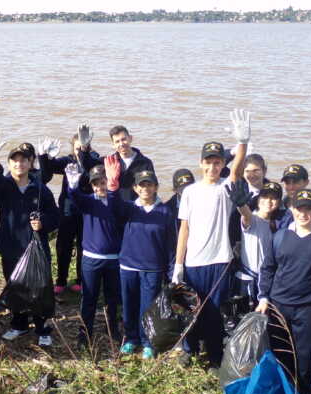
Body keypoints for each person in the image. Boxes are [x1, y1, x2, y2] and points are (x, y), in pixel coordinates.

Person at [172, 109, 251, 367]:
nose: (213, 167)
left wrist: (243, 142)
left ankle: (216, 356)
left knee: (215, 313)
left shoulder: (226, 187)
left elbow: (238, 170)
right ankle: (189, 349)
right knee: (191, 309)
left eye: (218, 162)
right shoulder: (190, 192)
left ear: (222, 165)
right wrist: (178, 265)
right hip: (194, 262)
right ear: (201, 163)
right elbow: (184, 229)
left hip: (220, 261)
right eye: (209, 162)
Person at [256, 188, 311, 394]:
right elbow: (268, 268)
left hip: (308, 307)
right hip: (278, 305)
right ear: (292, 209)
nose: (303, 214)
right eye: (299, 208)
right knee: (278, 352)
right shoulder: (279, 236)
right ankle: (280, 393)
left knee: (305, 357)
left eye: (308, 209)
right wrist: (263, 297)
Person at [0, 130, 59, 346]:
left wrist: (43, 222)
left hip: (37, 248)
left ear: (30, 163)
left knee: (40, 287)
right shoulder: (3, 188)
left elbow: (56, 216)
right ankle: (19, 324)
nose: (19, 164)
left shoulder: (40, 189)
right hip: (11, 248)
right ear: (9, 164)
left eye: (23, 161)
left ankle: (42, 327)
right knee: (15, 286)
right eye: (14, 161)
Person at [106, 161, 176, 359]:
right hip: (128, 265)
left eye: (149, 184)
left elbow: (171, 245)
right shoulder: (129, 208)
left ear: (155, 187)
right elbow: (113, 206)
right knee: (129, 304)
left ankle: (147, 343)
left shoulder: (165, 212)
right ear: (135, 188)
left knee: (148, 307)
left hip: (153, 269)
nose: (146, 188)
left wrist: (172, 272)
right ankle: (131, 339)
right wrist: (112, 184)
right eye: (141, 185)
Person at [39, 124, 102, 295]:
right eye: (76, 147)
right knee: (63, 246)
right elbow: (49, 170)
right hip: (67, 211)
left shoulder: (94, 159)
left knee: (84, 246)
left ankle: (81, 280)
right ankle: (61, 279)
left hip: (87, 211)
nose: (78, 151)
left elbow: (93, 164)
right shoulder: (68, 161)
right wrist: (45, 157)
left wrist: (84, 150)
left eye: (82, 146)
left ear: (88, 145)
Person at [64, 163, 122, 347]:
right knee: (89, 298)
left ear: (108, 181)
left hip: (114, 260)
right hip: (91, 260)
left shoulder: (116, 200)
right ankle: (84, 334)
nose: (100, 187)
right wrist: (72, 185)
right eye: (96, 184)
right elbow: (75, 197)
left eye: (103, 182)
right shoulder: (88, 201)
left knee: (112, 298)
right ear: (92, 185)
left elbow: (127, 210)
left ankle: (113, 329)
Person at [232, 181, 282, 313]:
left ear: (279, 202)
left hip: (268, 283)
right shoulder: (253, 219)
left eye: (274, 198)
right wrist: (241, 204)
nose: (269, 201)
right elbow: (245, 214)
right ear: (258, 199)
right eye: (265, 197)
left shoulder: (278, 224)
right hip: (246, 282)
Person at [107, 125, 155, 202]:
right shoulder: (110, 162)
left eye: (123, 139)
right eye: (117, 141)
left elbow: (153, 188)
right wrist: (84, 149)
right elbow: (89, 165)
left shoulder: (145, 162)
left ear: (130, 138)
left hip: (137, 208)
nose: (121, 144)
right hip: (116, 206)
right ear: (113, 145)